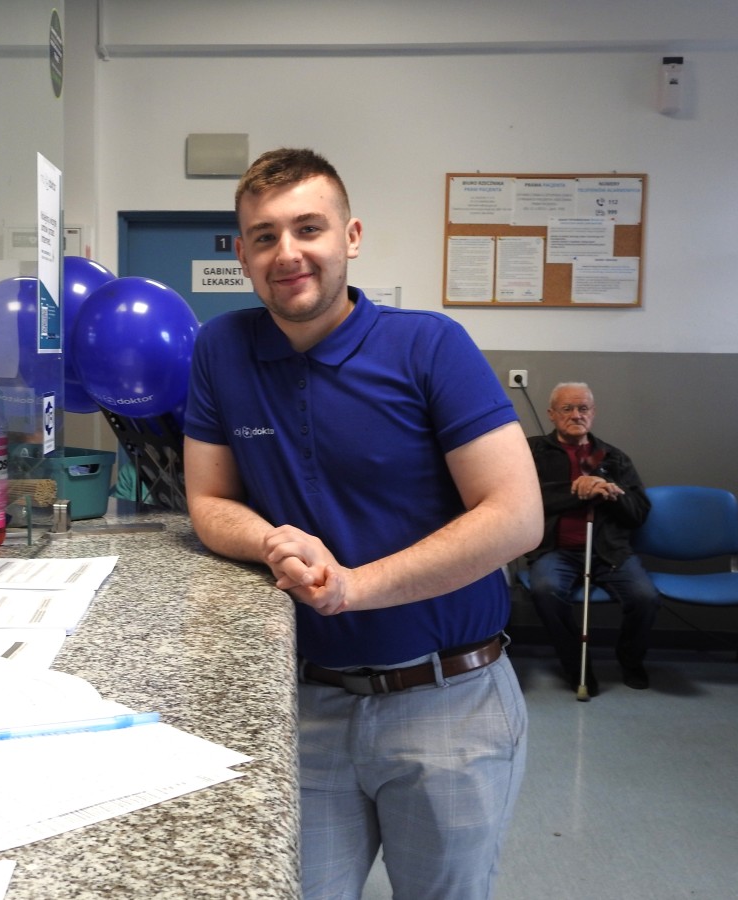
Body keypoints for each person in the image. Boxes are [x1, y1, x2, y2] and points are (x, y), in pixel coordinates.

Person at [182, 148, 543, 900]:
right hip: (306, 704)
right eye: (264, 236)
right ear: (242, 255)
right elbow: (209, 501)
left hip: (449, 701)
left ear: (350, 237)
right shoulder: (222, 349)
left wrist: (353, 587)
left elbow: (516, 517)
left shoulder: (429, 345)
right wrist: (270, 541)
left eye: (308, 228)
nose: (287, 252)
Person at [526, 382, 660, 694]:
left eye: (583, 408)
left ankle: (630, 660)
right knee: (545, 591)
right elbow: (527, 500)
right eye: (567, 408)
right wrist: (579, 489)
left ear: (593, 413)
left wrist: (609, 492)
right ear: (551, 414)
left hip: (609, 552)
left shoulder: (613, 458)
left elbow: (638, 513)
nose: (576, 415)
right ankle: (578, 666)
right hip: (555, 550)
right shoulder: (533, 451)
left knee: (645, 598)